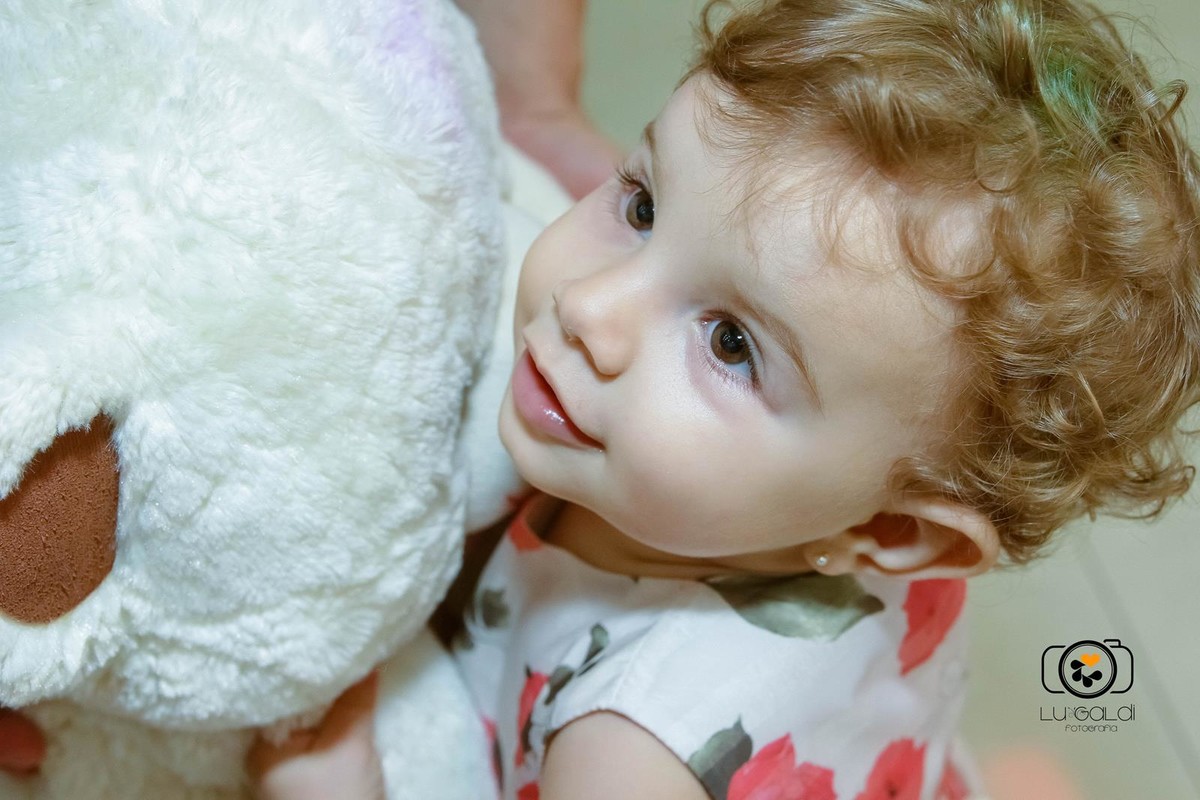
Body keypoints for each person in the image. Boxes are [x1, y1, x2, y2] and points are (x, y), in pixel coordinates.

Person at [14, 0, 1200, 797]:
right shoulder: (865, 467)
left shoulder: (628, 750)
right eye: (640, 202)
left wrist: (333, 775)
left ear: (892, 533)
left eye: (731, 343)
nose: (594, 308)